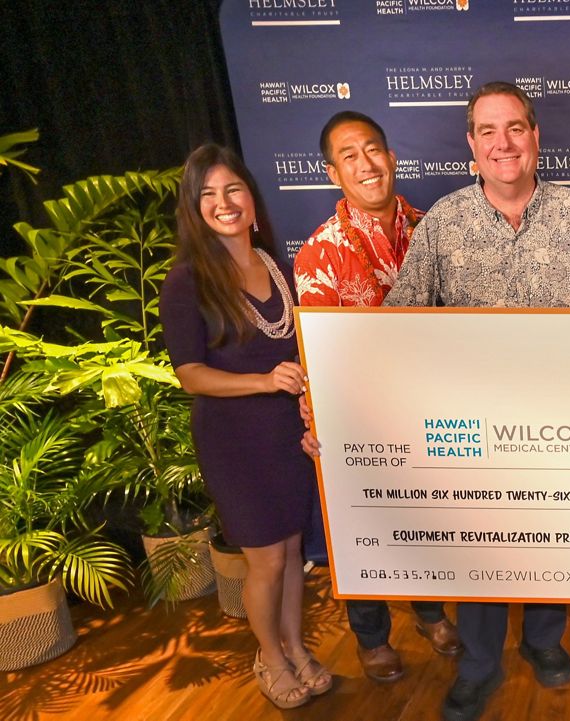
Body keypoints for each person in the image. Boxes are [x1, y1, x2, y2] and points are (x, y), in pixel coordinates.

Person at [384, 81, 570, 721]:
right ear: (471, 146)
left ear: (536, 137)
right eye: (488, 131)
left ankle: (544, 642)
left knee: (550, 536)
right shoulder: (444, 223)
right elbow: (401, 318)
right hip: (472, 423)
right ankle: (480, 665)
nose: (503, 143)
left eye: (515, 128)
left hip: (558, 419)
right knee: (480, 546)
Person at [159, 145, 331, 709]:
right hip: (234, 442)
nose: (223, 202)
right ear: (194, 209)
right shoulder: (187, 280)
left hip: (286, 436)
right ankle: (272, 658)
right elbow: (190, 375)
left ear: (251, 198)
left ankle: (297, 648)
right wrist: (263, 381)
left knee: (291, 555)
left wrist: (309, 395)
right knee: (265, 560)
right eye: (207, 194)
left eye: (232, 189)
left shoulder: (281, 268)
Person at [293, 110, 462, 683]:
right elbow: (319, 355)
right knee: (364, 529)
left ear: (391, 158)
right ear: (332, 172)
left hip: (429, 413)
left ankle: (432, 611)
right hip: (359, 419)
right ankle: (370, 637)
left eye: (373, 150)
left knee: (428, 523)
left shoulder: (431, 229)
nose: (365, 164)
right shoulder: (321, 252)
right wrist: (322, 417)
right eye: (349, 155)